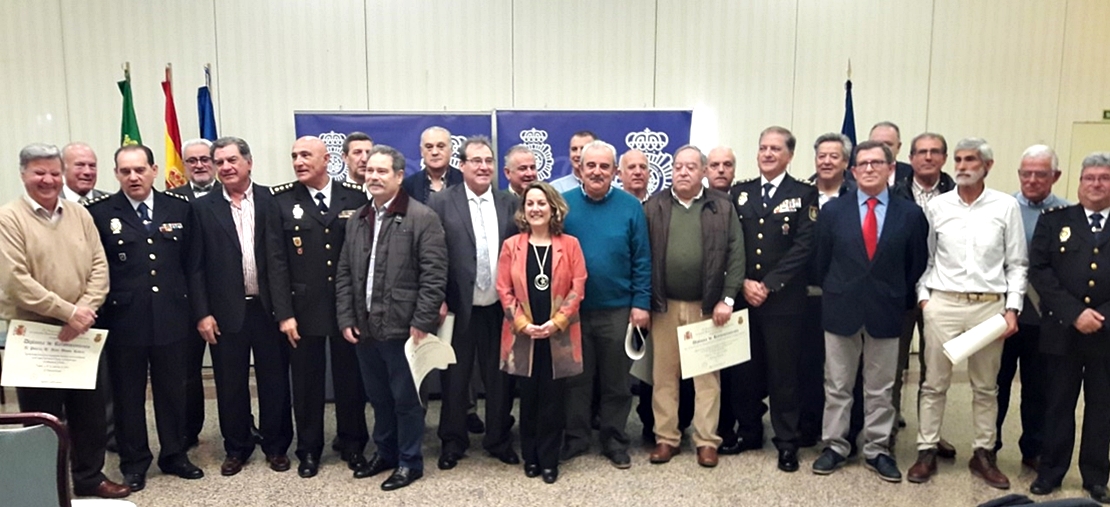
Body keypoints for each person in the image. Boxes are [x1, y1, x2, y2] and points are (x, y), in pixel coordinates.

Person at [0, 143, 129, 499]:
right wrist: (68, 312)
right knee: (42, 418)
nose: (48, 180)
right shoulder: (8, 218)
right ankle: (43, 483)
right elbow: (15, 280)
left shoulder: (79, 215)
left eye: (54, 173)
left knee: (88, 414)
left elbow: (100, 268)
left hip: (82, 334)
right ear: (24, 174)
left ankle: (89, 479)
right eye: (39, 172)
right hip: (36, 335)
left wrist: (84, 311)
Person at [86, 144, 205, 492]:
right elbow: (96, 267)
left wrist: (199, 313)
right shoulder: (101, 212)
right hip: (124, 320)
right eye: (125, 171)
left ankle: (174, 454)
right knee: (127, 396)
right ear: (116, 174)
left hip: (172, 316)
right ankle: (134, 462)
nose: (133, 177)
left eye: (139, 170)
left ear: (154, 170)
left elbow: (192, 266)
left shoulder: (180, 208)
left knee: (173, 391)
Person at [908, 138, 1026, 489]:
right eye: (958, 159)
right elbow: (926, 259)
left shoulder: (1006, 206)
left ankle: (983, 453)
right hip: (943, 303)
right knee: (933, 384)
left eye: (970, 159)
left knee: (985, 387)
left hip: (989, 306)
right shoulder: (938, 207)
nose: (961, 165)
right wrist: (925, 300)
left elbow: (1017, 263)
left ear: (987, 165)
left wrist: (1012, 308)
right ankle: (927, 448)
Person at [810, 140, 929, 483]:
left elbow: (916, 263)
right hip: (840, 308)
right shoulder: (834, 211)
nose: (869, 169)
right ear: (853, 170)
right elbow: (821, 263)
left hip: (886, 309)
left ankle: (877, 449)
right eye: (862, 164)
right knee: (837, 385)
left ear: (892, 169)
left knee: (880, 388)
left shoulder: (910, 214)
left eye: (877, 163)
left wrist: (892, 292)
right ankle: (835, 445)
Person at [336, 144, 447, 491]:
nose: (374, 176)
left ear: (399, 176)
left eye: (382, 171)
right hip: (366, 329)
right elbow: (343, 272)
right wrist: (345, 317)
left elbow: (434, 275)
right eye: (369, 170)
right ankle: (385, 453)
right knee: (379, 399)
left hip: (405, 330)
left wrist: (423, 320)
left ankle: (409, 461)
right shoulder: (358, 218)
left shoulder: (422, 217)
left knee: (407, 401)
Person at [191, 136, 293, 477]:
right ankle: (237, 448)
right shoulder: (203, 208)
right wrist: (203, 313)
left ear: (249, 163)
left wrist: (286, 311)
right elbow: (197, 266)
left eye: (232, 160)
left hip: (267, 309)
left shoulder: (271, 200)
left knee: (274, 381)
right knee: (230, 385)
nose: (225, 167)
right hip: (225, 312)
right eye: (219, 162)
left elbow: (281, 261)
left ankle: (276, 446)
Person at [268, 136, 369, 478]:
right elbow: (276, 263)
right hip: (303, 308)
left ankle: (353, 443)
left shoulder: (354, 199)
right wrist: (284, 314)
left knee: (349, 380)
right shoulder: (281, 202)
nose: (298, 161)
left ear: (327, 159)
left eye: (306, 155)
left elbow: (362, 257)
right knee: (307, 384)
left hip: (346, 308)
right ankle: (309, 449)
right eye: (294, 155)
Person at [643, 145, 744, 469]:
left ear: (703, 171)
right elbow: (641, 256)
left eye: (690, 167)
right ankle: (667, 438)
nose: (683, 172)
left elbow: (736, 254)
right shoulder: (654, 206)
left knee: (707, 379)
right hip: (664, 305)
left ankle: (706, 441)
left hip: (707, 307)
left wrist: (726, 299)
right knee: (664, 377)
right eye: (678, 166)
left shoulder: (722, 206)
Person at [728, 126, 819, 472]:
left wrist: (768, 284)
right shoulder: (741, 193)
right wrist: (743, 284)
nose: (767, 153)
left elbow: (803, 247)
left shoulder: (804, 194)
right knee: (745, 371)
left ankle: (786, 441)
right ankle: (749, 431)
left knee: (784, 375)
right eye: (763, 147)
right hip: (744, 297)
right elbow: (732, 244)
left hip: (783, 302)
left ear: (789, 155)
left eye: (775, 149)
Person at [428, 136, 520, 470]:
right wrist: (436, 297)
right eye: (476, 161)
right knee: (455, 378)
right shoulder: (440, 203)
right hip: (457, 307)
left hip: (499, 307)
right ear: (462, 165)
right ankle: (453, 441)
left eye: (488, 161)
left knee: (500, 378)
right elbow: (432, 256)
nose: (483, 167)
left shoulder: (510, 202)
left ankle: (498, 439)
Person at [560, 139, 651, 469]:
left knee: (616, 381)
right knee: (576, 380)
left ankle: (614, 439)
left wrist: (641, 304)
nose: (597, 171)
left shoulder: (630, 207)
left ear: (614, 171)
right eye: (591, 166)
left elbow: (642, 259)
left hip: (619, 310)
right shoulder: (564, 205)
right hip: (572, 312)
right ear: (580, 169)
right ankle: (576, 438)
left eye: (604, 166)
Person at [1027, 152, 1110, 504]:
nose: (1096, 184)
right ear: (1078, 182)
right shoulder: (1054, 220)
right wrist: (1075, 313)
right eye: (1089, 177)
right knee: (1057, 404)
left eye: (1104, 178)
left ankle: (1095, 476)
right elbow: (1040, 271)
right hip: (1062, 329)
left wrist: (1100, 316)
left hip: (1107, 334)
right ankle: (1051, 471)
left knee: (1102, 406)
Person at [496, 181, 587, 484]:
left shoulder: (570, 244)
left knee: (553, 398)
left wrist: (556, 322)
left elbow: (578, 287)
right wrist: (523, 324)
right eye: (530, 204)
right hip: (523, 335)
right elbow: (504, 290)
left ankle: (549, 459)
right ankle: (531, 456)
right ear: (523, 210)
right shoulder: (512, 245)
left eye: (541, 203)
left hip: (558, 334)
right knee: (529, 397)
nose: (535, 209)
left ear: (553, 208)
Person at [997, 144, 1067, 471]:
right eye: (1027, 173)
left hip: (1044, 320)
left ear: (1056, 176)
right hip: (1002, 317)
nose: (1033, 179)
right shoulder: (1003, 207)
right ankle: (988, 448)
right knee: (995, 386)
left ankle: (1033, 449)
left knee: (1038, 389)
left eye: (1041, 173)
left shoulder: (1068, 215)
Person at [890, 132, 957, 445]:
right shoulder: (894, 195)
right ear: (911, 159)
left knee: (935, 369)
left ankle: (930, 435)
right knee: (894, 366)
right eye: (921, 152)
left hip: (943, 293)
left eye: (935, 152)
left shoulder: (961, 195)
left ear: (944, 158)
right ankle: (886, 430)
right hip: (901, 291)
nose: (928, 158)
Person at [167, 137, 220, 448]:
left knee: (232, 372)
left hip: (228, 298)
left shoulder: (233, 194)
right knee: (187, 373)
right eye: (192, 161)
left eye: (205, 159)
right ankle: (190, 430)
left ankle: (243, 424)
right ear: (183, 166)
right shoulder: (170, 201)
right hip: (187, 302)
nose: (199, 165)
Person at [402, 126, 463, 204]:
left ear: (451, 150)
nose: (435, 152)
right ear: (421, 152)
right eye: (429, 147)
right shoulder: (408, 185)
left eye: (441, 146)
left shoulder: (465, 181)